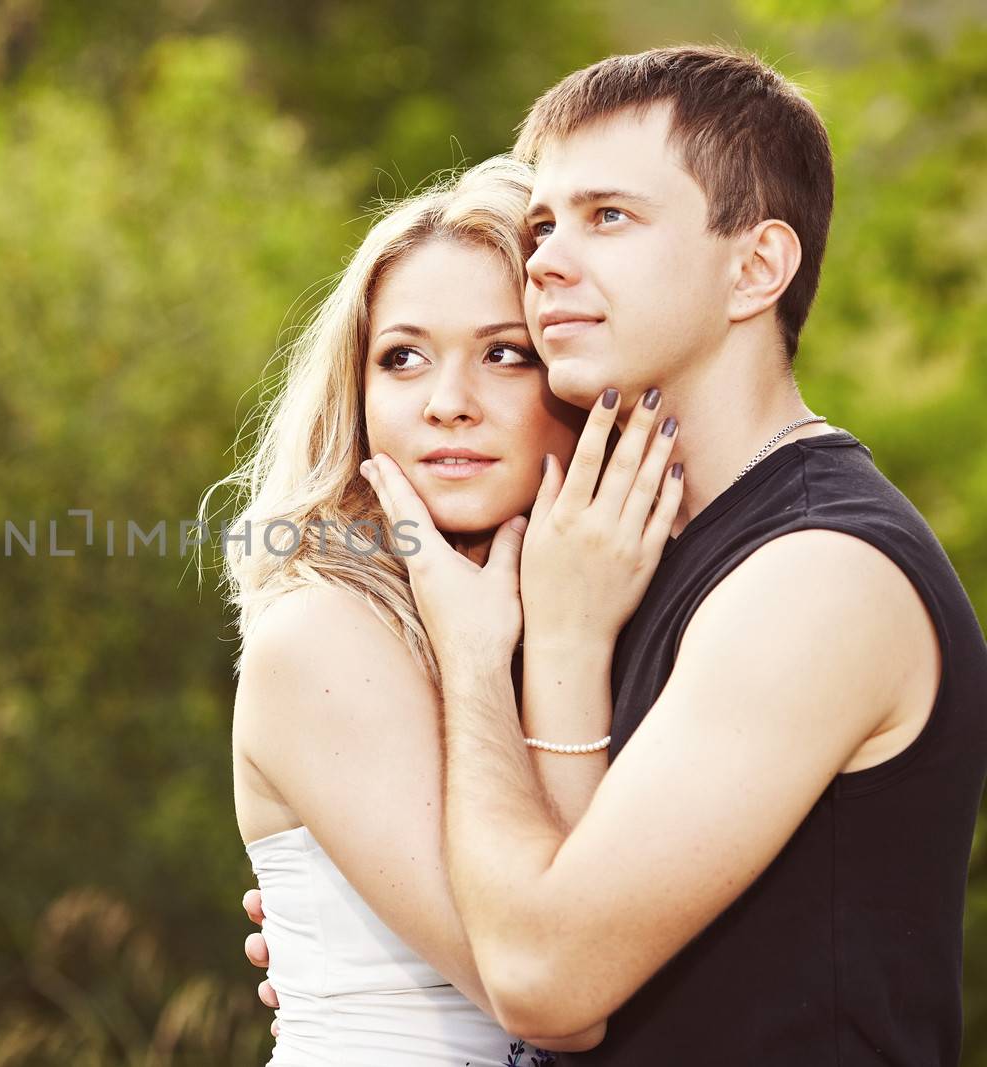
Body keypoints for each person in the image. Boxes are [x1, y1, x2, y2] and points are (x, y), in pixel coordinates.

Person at [251, 44, 987, 1063]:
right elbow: (530, 880)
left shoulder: (817, 575)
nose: (548, 256)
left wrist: (489, 655)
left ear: (755, 267)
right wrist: (348, 928)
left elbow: (545, 979)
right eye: (545, 223)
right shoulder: (619, 557)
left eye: (608, 216)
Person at [214, 155, 684, 1064]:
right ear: (357, 396)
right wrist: (503, 655)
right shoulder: (319, 637)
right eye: (403, 358)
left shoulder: (635, 611)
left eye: (505, 354)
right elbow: (560, 995)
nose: (447, 405)